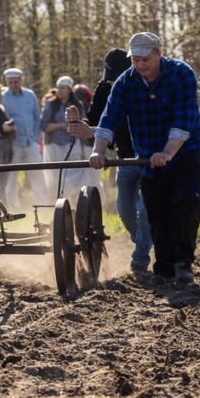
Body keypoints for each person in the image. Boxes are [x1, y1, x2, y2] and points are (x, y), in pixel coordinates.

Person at [89, 33, 200, 285]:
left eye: (145, 60)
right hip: (148, 154)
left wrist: (168, 152)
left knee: (185, 203)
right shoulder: (125, 82)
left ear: (158, 54)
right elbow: (109, 117)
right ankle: (163, 269)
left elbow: (184, 118)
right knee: (156, 210)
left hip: (186, 149)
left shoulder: (182, 74)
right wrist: (98, 150)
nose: (141, 65)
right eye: (136, 60)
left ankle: (183, 264)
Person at [67, 48, 153, 276]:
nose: (113, 83)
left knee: (145, 209)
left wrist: (95, 131)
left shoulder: (143, 87)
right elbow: (96, 118)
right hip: (125, 158)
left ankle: (140, 259)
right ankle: (145, 240)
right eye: (110, 78)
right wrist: (79, 123)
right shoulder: (104, 88)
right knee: (125, 211)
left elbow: (126, 123)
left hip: (149, 157)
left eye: (117, 78)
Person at [1, 68, 47, 208]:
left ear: (21, 80)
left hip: (31, 142)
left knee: (37, 176)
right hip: (13, 143)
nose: (13, 85)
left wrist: (36, 136)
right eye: (10, 83)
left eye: (16, 82)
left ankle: (42, 207)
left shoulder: (30, 95)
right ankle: (13, 208)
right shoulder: (3, 97)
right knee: (12, 178)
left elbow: (37, 117)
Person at [41, 76, 88, 198]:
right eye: (58, 88)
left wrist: (83, 147)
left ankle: (74, 201)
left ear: (69, 89)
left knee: (75, 174)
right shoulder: (51, 105)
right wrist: (62, 125)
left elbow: (83, 125)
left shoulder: (78, 105)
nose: (60, 90)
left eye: (63, 88)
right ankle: (56, 202)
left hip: (72, 144)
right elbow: (44, 126)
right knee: (54, 177)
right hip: (53, 145)